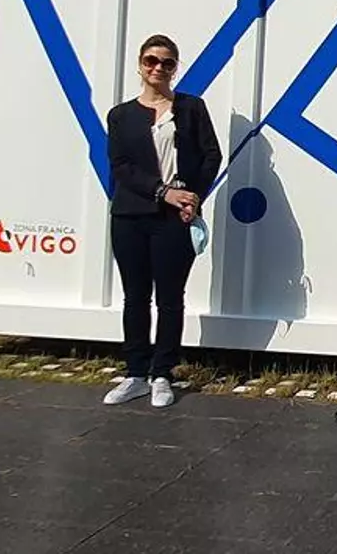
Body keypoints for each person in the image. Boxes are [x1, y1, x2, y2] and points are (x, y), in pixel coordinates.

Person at [102, 34, 222, 408]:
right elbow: (121, 167)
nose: (158, 68)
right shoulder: (121, 115)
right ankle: (135, 373)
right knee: (135, 297)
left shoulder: (191, 108)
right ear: (140, 65)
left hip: (174, 219)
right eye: (151, 61)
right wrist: (161, 192)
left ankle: (162, 374)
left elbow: (211, 156)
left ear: (175, 68)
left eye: (167, 63)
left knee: (170, 298)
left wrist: (192, 196)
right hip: (130, 216)